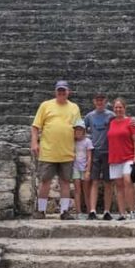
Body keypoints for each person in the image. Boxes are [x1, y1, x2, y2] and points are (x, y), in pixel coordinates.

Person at [31, 80, 82, 220]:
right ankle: (41, 210)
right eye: (59, 90)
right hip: (48, 151)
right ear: (55, 91)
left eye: (63, 90)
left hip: (67, 151)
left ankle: (64, 211)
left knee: (65, 182)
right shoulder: (45, 105)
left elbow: (79, 128)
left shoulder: (74, 107)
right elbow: (35, 127)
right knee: (45, 181)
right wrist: (34, 143)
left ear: (68, 92)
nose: (61, 93)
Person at [107, 97, 135, 221]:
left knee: (128, 181)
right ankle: (122, 213)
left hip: (128, 157)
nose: (118, 109)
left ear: (125, 108)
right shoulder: (111, 122)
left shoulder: (131, 122)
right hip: (114, 158)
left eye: (120, 107)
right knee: (119, 186)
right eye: (116, 107)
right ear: (113, 109)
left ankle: (132, 211)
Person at [84, 93, 115, 220]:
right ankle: (92, 210)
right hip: (95, 151)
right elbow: (81, 129)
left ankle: (107, 211)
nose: (99, 102)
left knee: (108, 182)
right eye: (97, 100)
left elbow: (121, 121)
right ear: (94, 101)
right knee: (94, 181)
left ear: (105, 101)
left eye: (101, 100)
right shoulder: (89, 116)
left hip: (109, 151)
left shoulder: (111, 115)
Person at [71, 119, 94, 219]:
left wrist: (88, 170)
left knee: (86, 190)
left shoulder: (87, 141)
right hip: (75, 168)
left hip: (84, 168)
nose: (78, 132)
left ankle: (89, 211)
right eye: (76, 130)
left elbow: (89, 157)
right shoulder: (73, 142)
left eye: (80, 130)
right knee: (77, 190)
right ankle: (78, 212)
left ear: (84, 131)